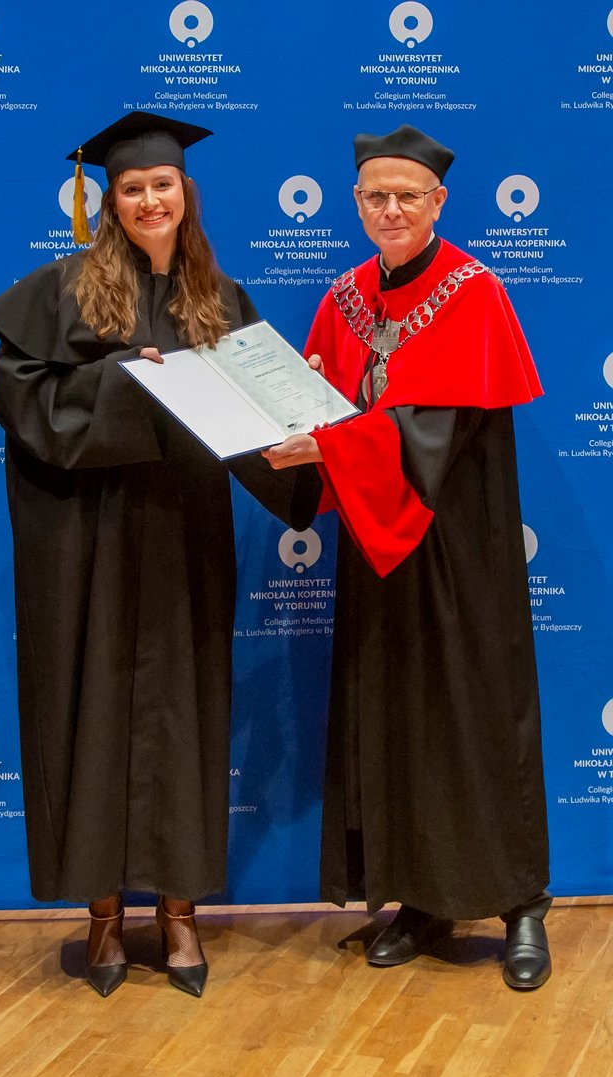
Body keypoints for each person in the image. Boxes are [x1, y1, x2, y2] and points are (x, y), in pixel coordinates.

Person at [0, 111, 319, 999]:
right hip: (87, 539)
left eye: (161, 185)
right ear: (109, 201)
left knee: (183, 710)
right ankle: (101, 913)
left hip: (182, 531)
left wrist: (305, 445)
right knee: (84, 703)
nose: (148, 200)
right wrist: (125, 381)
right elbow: (24, 402)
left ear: (185, 193)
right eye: (131, 188)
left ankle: (178, 911)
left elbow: (258, 421)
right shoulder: (61, 290)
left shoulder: (221, 299)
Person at [263, 124, 552, 990]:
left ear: (438, 202)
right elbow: (313, 402)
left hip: (459, 549)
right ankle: (424, 900)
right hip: (375, 546)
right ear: (356, 204)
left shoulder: (474, 292)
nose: (391, 209)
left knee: (476, 714)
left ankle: (521, 903)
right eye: (375, 197)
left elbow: (436, 430)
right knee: (396, 717)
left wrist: (330, 445)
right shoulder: (345, 297)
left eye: (407, 196)